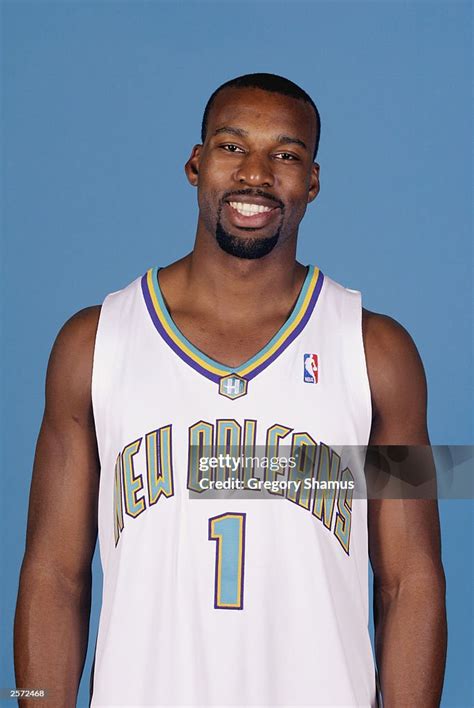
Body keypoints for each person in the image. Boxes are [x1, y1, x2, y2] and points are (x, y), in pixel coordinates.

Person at [14, 73, 447, 707]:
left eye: (287, 154)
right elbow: (53, 576)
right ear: (196, 164)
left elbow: (411, 583)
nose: (256, 173)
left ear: (314, 182)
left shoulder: (377, 352)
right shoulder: (94, 344)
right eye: (231, 146)